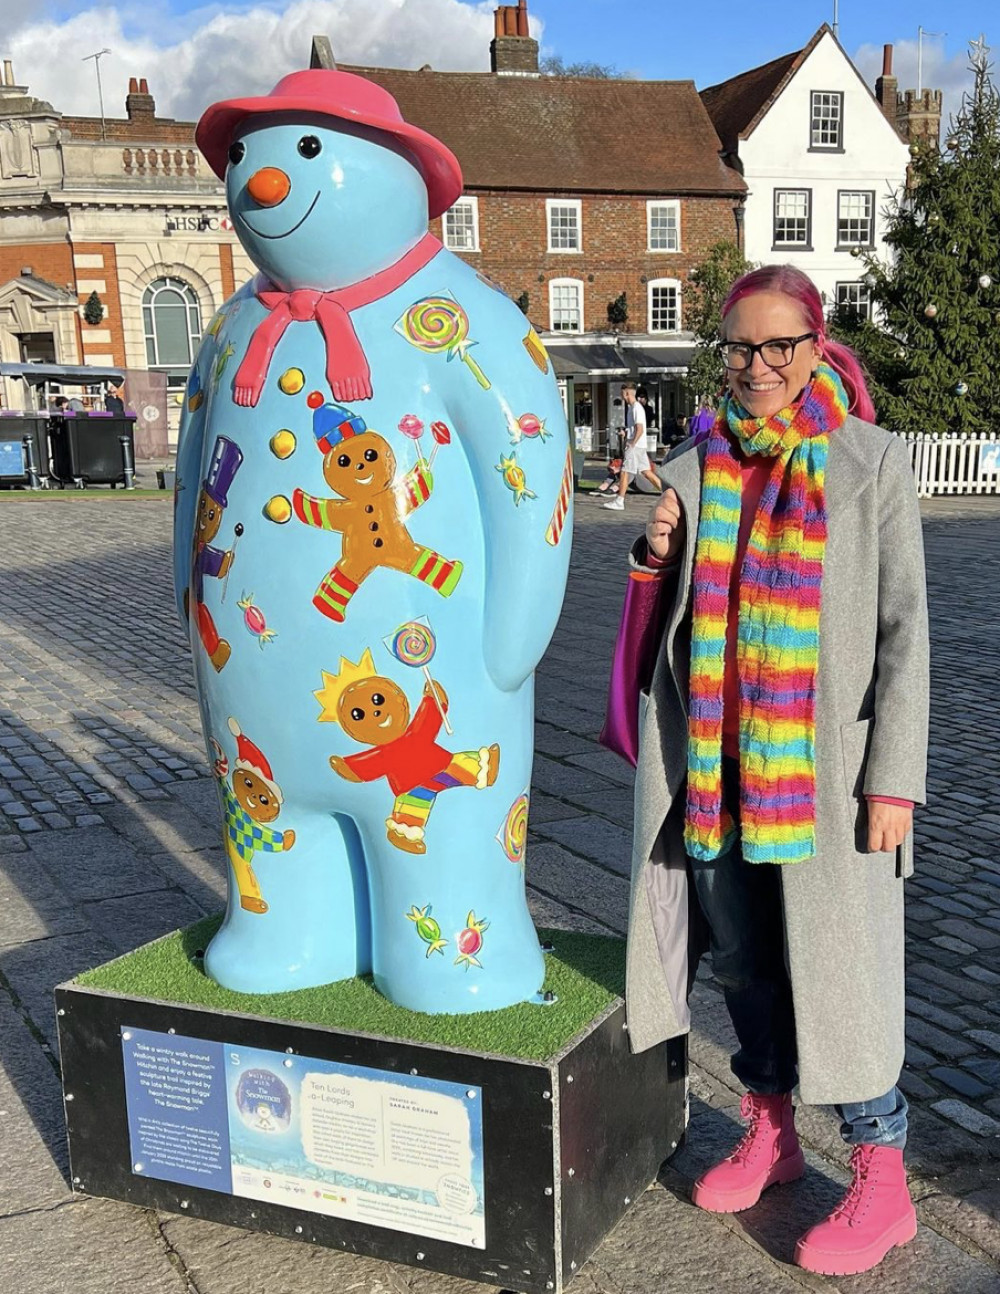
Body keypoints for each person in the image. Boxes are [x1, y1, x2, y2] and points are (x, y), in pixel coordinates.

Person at [619, 264, 928, 1277]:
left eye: (777, 345)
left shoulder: (868, 463)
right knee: (745, 965)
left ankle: (881, 1179)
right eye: (740, 347)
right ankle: (771, 1126)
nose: (756, 366)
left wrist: (893, 781)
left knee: (845, 972)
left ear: (814, 344)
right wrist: (652, 555)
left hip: (826, 781)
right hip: (717, 772)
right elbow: (646, 644)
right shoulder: (694, 469)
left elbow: (903, 634)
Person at [602, 380, 661, 510]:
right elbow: (636, 428)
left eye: (622, 393)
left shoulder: (635, 408)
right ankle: (667, 492)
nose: (621, 395)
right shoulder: (633, 408)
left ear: (627, 393)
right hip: (640, 446)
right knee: (646, 472)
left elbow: (639, 428)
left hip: (635, 446)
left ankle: (619, 500)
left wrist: (632, 442)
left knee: (625, 471)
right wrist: (627, 432)